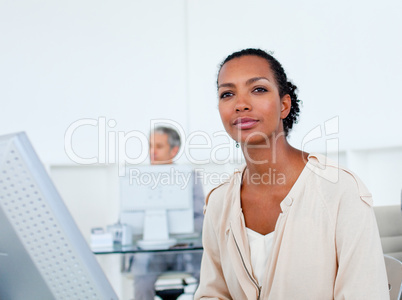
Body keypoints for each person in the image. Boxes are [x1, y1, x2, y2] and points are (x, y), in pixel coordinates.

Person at [194, 48, 389, 299]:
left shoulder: (340, 191)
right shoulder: (219, 202)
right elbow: (212, 293)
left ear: (284, 104)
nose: (240, 104)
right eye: (227, 94)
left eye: (258, 89)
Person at [132, 126, 204, 300]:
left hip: (185, 249)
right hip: (153, 251)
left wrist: (183, 235)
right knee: (141, 281)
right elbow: (130, 219)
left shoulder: (189, 178)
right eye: (150, 146)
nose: (152, 152)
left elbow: (201, 218)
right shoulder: (138, 179)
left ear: (174, 150)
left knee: (208, 276)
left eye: (158, 146)